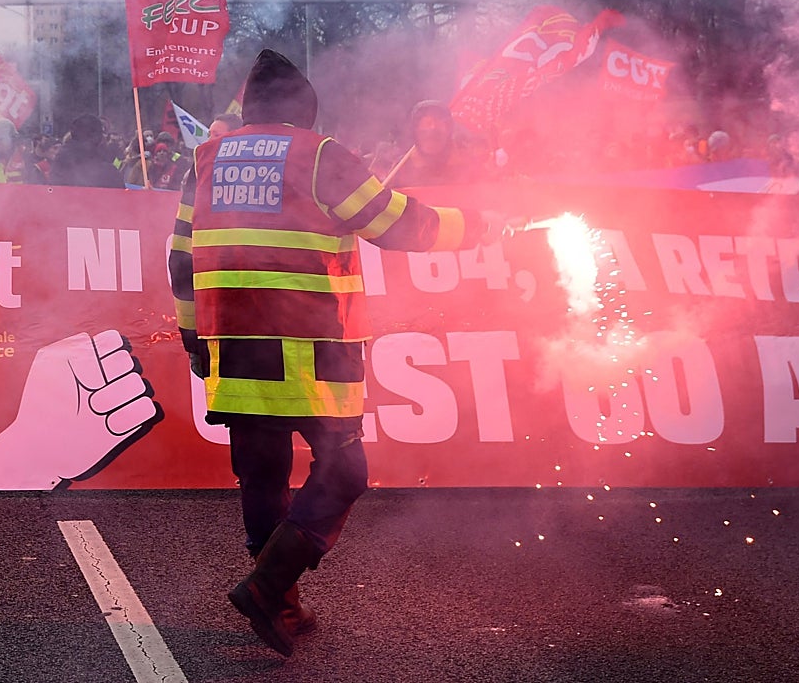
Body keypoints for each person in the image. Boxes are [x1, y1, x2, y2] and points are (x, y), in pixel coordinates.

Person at [168, 49, 500, 658]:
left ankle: (280, 602)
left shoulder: (207, 160)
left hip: (236, 345)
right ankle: (270, 587)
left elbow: (181, 259)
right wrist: (479, 227)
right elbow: (398, 224)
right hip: (315, 347)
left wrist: (195, 341)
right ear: (306, 112)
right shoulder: (319, 155)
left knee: (263, 475)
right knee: (345, 471)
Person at [381, 100, 483, 187]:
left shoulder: (467, 164)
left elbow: (485, 197)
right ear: (415, 130)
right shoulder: (403, 166)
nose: (433, 128)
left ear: (448, 129)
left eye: (439, 122)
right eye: (427, 123)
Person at [52, 113, 123, 189]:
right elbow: (121, 198)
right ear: (97, 137)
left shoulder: (59, 162)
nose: (104, 137)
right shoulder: (108, 172)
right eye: (102, 133)